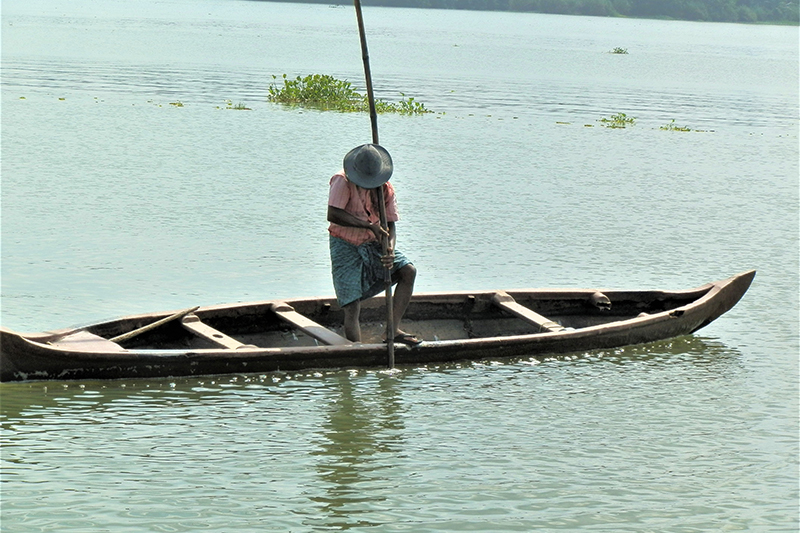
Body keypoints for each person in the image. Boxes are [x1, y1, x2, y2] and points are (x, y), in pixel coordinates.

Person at [327, 143, 421, 346]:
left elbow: (390, 224)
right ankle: (356, 349)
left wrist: (390, 249)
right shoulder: (342, 181)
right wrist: (368, 226)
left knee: (408, 271)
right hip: (344, 243)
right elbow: (333, 214)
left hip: (373, 243)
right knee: (351, 304)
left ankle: (392, 330)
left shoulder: (384, 188)